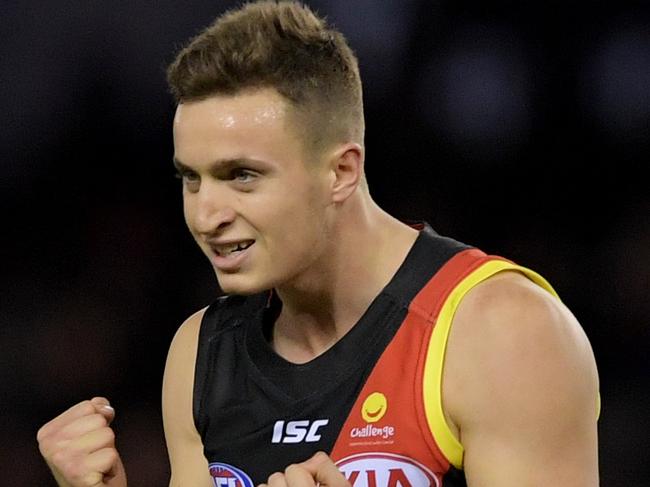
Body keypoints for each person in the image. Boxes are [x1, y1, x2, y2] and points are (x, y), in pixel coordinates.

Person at [37, 2, 600, 486]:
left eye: (242, 176)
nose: (206, 215)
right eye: (191, 178)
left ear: (341, 172)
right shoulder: (201, 354)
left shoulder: (501, 332)